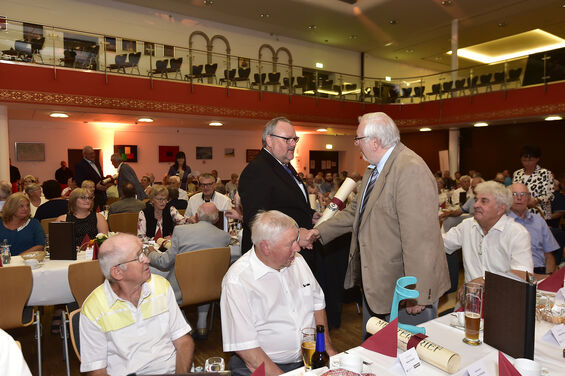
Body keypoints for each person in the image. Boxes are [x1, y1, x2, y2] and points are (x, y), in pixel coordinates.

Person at [302, 112, 450, 330]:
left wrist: (417, 293)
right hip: (378, 286)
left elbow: (421, 237)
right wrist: (318, 232)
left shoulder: (409, 168)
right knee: (378, 355)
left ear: (375, 141)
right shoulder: (375, 170)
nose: (356, 144)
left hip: (403, 290)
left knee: (407, 356)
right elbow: (355, 212)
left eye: (358, 139)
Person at [221, 210, 336, 376]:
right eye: (290, 243)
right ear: (266, 247)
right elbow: (248, 352)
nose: (297, 248)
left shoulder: (298, 262)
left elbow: (317, 304)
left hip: (308, 360)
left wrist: (327, 349)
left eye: (297, 239)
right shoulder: (238, 281)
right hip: (261, 367)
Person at [80, 233, 194, 375]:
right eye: (139, 257)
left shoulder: (160, 286)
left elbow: (183, 341)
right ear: (117, 272)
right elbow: (97, 371)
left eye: (144, 253)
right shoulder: (93, 308)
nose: (147, 259)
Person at [148, 202, 231, 339]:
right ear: (216, 219)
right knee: (204, 274)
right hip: (212, 288)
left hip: (181, 290)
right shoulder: (225, 237)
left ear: (197, 216)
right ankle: (202, 325)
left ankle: (185, 324)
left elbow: (164, 262)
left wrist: (151, 253)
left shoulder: (181, 231)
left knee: (159, 275)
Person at [238, 117, 316, 256]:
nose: (293, 144)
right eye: (287, 139)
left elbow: (287, 203)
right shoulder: (257, 170)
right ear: (269, 140)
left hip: (290, 252)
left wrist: (310, 215)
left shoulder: (283, 166)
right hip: (271, 256)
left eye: (295, 139)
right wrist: (297, 234)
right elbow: (256, 220)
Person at [443, 181, 533, 301]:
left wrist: (484, 281)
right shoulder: (467, 226)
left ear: (500, 209)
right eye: (476, 199)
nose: (475, 205)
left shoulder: (517, 233)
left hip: (505, 301)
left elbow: (525, 275)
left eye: (484, 201)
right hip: (471, 303)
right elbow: (440, 245)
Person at [509, 183, 559, 275]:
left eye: (523, 194)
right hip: (514, 273)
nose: (519, 198)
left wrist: (548, 277)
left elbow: (549, 255)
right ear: (507, 198)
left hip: (540, 271)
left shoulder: (538, 221)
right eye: (514, 194)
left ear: (528, 198)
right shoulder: (502, 222)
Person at [512, 145, 554, 220]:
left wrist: (536, 200)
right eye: (524, 160)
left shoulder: (545, 173)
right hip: (519, 212)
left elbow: (550, 195)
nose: (527, 163)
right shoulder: (517, 173)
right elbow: (513, 191)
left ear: (537, 159)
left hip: (539, 213)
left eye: (530, 160)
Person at [75, 146, 109, 211]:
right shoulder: (80, 165)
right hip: (90, 197)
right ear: (84, 154)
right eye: (90, 154)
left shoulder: (97, 163)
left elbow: (100, 177)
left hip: (101, 195)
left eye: (93, 153)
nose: (93, 155)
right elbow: (80, 183)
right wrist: (95, 187)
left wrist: (106, 183)